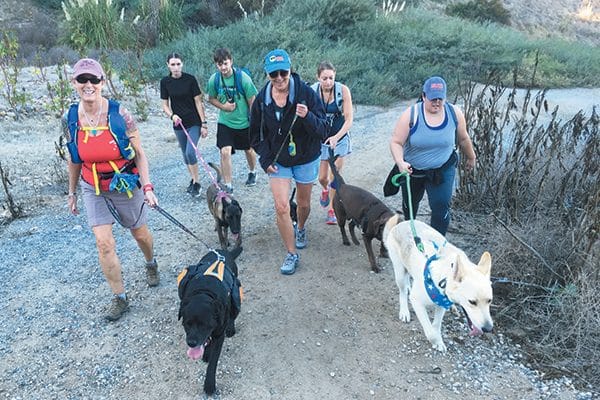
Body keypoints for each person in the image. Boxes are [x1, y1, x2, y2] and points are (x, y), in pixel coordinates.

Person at [64, 58, 159, 321]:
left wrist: (148, 187)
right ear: (74, 83)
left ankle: (151, 262)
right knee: (104, 243)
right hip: (92, 185)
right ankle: (120, 298)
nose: (88, 85)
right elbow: (74, 158)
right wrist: (71, 193)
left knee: (140, 234)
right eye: (82, 79)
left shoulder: (121, 115)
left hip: (125, 182)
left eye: (94, 79)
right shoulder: (70, 118)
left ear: (103, 82)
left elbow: (140, 154)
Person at [249, 49, 327, 275]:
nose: (280, 78)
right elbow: (255, 135)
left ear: (290, 69)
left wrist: (307, 117)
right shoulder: (262, 100)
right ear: (267, 76)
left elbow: (323, 129)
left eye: (284, 72)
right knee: (282, 206)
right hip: (278, 159)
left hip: (306, 156)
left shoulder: (306, 94)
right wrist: (265, 159)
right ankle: (292, 253)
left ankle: (300, 227)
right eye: (274, 74)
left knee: (303, 204)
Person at [389, 76, 476, 235]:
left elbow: (463, 138)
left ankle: (438, 243)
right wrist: (400, 162)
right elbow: (396, 142)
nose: (436, 102)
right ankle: (411, 235)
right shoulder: (411, 114)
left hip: (442, 168)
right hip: (412, 170)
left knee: (441, 205)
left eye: (440, 98)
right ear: (423, 96)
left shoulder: (454, 113)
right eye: (432, 98)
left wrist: (471, 157)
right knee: (410, 205)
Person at [207, 48, 259, 192]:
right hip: (225, 123)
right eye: (219, 64)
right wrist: (223, 106)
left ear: (231, 61)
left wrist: (255, 122)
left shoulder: (243, 78)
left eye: (225, 63)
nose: (223, 67)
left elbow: (252, 101)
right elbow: (211, 98)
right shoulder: (214, 80)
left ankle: (253, 171)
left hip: (244, 123)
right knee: (225, 151)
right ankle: (228, 184)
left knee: (249, 150)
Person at [160, 52, 208, 197]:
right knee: (184, 154)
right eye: (173, 64)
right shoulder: (165, 82)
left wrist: (204, 123)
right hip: (178, 123)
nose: (176, 67)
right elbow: (164, 104)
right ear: (168, 65)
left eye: (178, 64)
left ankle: (197, 182)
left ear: (182, 64)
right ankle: (193, 180)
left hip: (194, 121)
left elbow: (198, 102)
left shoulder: (190, 79)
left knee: (190, 151)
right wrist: (172, 116)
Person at [312, 61, 354, 225]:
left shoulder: (342, 91)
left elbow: (349, 119)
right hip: (322, 138)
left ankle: (331, 209)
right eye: (324, 78)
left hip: (340, 138)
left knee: (334, 173)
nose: (328, 82)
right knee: (322, 177)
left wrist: (337, 136)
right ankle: (324, 190)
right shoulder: (313, 91)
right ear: (318, 78)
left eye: (331, 78)